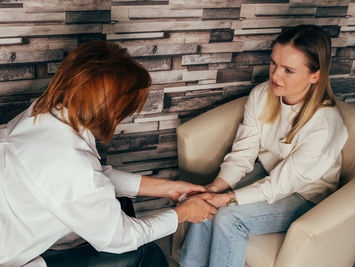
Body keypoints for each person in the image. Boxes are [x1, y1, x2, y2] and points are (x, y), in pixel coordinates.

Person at [0, 41, 217, 267]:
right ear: (112, 109)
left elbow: (91, 179)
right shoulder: (74, 165)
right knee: (146, 254)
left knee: (121, 205)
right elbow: (120, 238)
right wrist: (181, 215)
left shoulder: (43, 113)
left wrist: (167, 188)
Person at [179, 24, 349, 267]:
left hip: (306, 195)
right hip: (271, 176)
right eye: (274, 63)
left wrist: (228, 200)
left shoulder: (324, 126)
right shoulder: (262, 95)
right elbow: (243, 153)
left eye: (288, 70)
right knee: (206, 203)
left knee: (229, 217)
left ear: (316, 75)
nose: (275, 75)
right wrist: (216, 188)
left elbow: (280, 186)